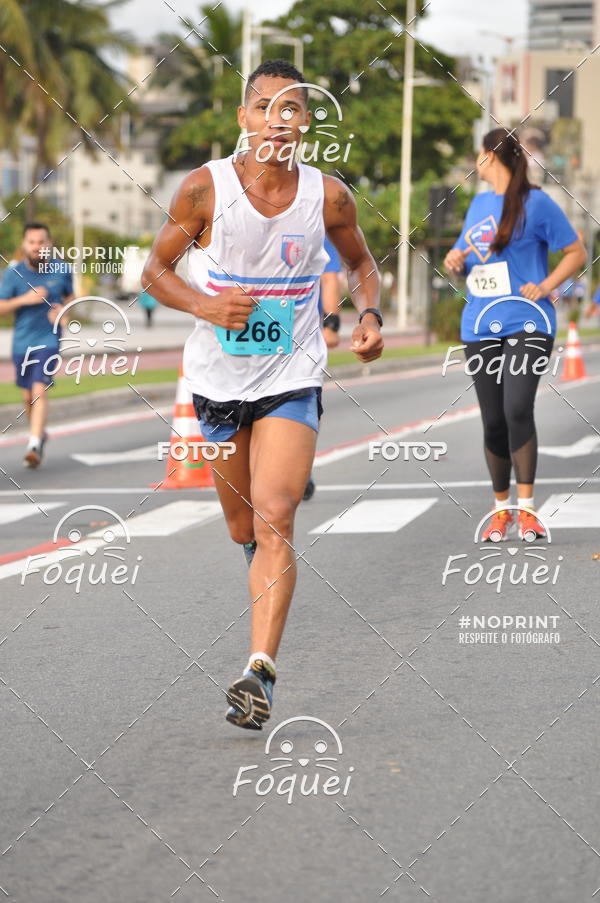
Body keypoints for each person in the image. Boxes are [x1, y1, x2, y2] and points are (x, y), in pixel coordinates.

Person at [142, 59, 384, 729]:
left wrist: (369, 318)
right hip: (217, 382)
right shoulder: (204, 189)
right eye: (266, 107)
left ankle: (259, 671)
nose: (280, 119)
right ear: (244, 119)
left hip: (292, 374)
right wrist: (206, 306)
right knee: (243, 526)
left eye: (293, 108)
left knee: (276, 515)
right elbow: (153, 271)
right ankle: (262, 562)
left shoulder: (328, 196)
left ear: (306, 122)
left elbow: (362, 263)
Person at [444, 128, 585, 541]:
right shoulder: (478, 205)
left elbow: (575, 251)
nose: (476, 162)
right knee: (492, 422)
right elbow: (469, 258)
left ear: (491, 157)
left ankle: (527, 511)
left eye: (479, 155)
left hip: (528, 322)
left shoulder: (536, 203)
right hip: (479, 324)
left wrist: (546, 286)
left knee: (517, 408)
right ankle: (500, 509)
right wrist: (456, 260)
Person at [0, 223, 73, 468]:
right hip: (22, 342)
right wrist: (25, 299)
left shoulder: (62, 269)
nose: (37, 247)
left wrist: (64, 311)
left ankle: (33, 444)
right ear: (24, 244)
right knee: (27, 396)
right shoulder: (13, 274)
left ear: (49, 244)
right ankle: (39, 433)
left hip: (49, 339)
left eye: (41, 242)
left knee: (39, 388)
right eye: (32, 242)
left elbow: (70, 297)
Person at [303, 235, 343, 501]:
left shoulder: (314, 228)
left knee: (303, 400)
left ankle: (300, 467)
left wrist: (331, 324)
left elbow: (329, 278)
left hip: (300, 336)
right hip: (243, 336)